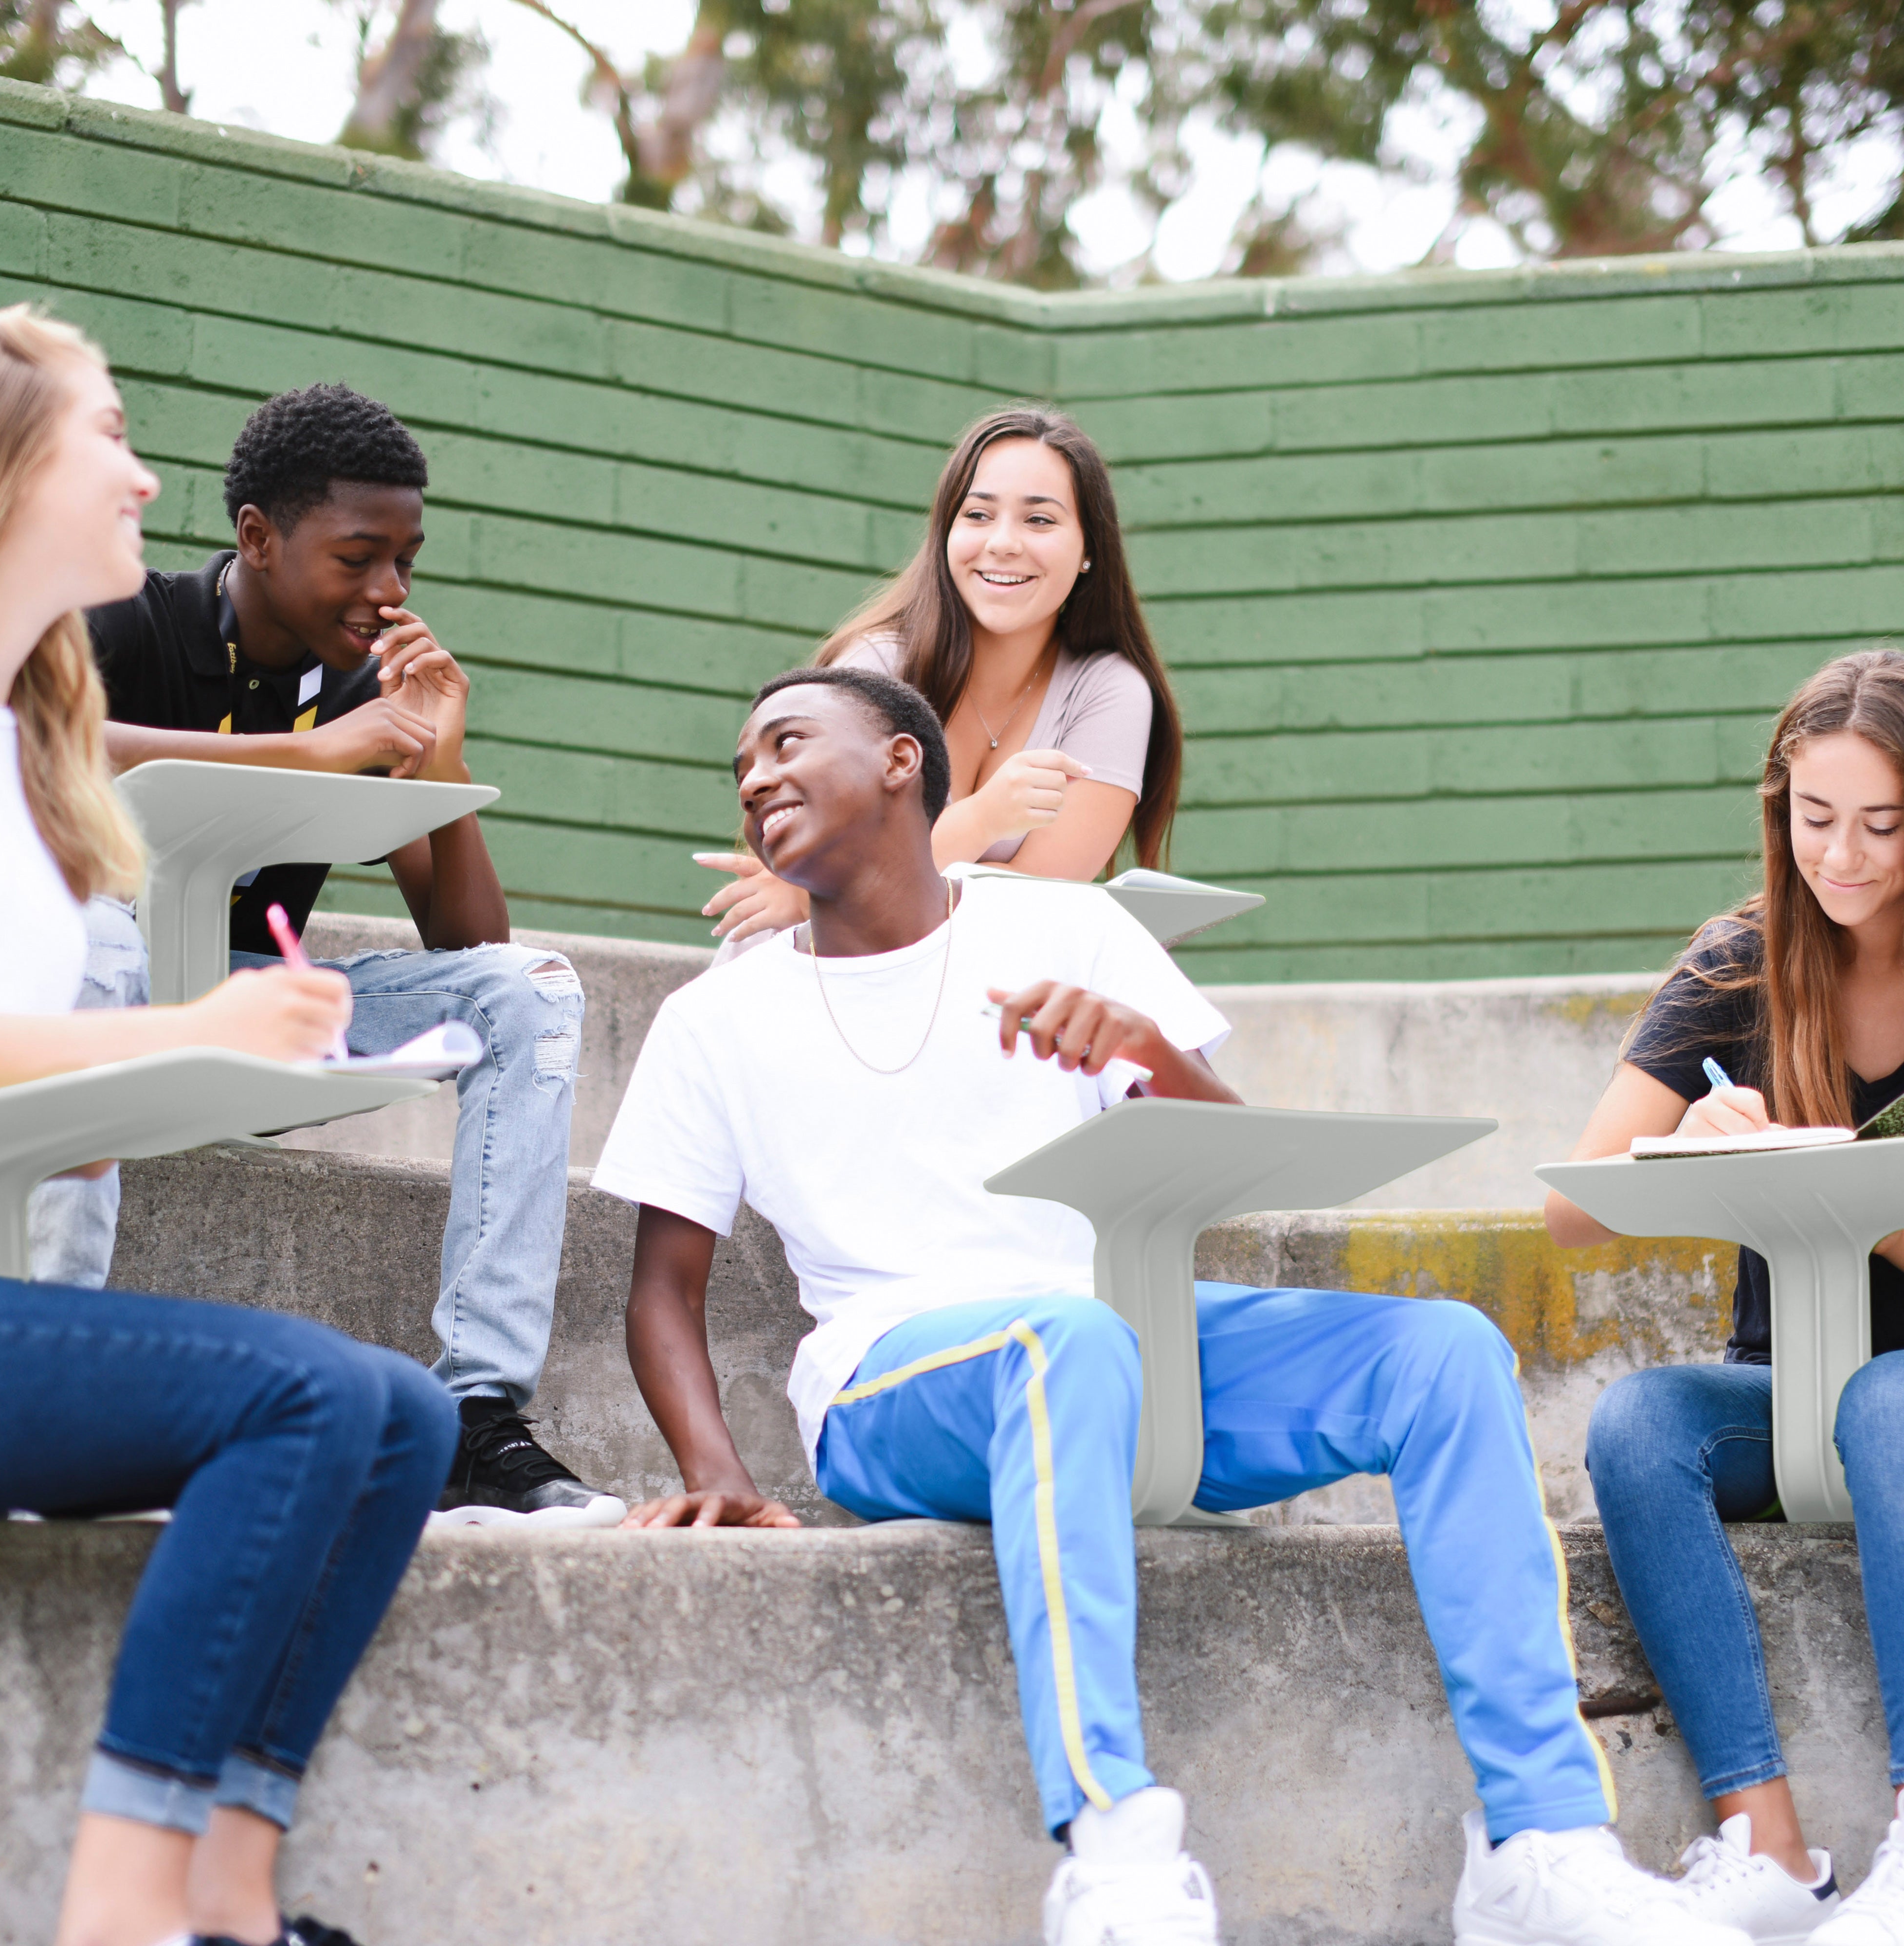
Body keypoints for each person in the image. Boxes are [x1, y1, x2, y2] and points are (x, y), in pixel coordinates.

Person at [594, 662, 1749, 1946]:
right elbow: (664, 1287)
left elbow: (1233, 1159)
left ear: (902, 761)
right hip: (895, 1384)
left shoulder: (1067, 929)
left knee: (1441, 1351)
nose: (755, 777)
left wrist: (1143, 1049)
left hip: (1119, 1341)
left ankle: (1544, 1843)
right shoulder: (718, 1018)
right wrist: (716, 1466)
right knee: (1065, 1339)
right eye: (742, 765)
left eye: (787, 743)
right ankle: (1115, 1849)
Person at [0, 303, 458, 1946]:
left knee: (403, 1417)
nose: (149, 480)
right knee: (306, 1395)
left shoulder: (23, 754)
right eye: (110, 436)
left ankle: (234, 1901)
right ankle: (120, 1916)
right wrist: (184, 1033)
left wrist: (174, 1074)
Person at [82, 381, 620, 1529]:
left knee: (527, 992)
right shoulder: (131, 619)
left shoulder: (373, 686)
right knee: (89, 937)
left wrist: (437, 762)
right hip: (98, 999)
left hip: (258, 1003)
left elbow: (467, 945)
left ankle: (477, 1419)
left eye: (407, 561)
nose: (390, 592)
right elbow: (39, 743)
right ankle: (40, 1377)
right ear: (258, 536)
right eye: (360, 557)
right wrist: (319, 752)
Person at [1551, 647, 1904, 1945]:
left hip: (1897, 1397)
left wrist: (1849, 1186)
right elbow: (1572, 1205)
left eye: (1884, 824)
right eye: (1818, 821)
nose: (1846, 858)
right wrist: (1699, 1152)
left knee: (1887, 1405)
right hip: (1781, 1385)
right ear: (1780, 809)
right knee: (1639, 1425)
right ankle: (1771, 1850)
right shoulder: (1743, 958)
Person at [694, 405, 1182, 945]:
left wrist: (860, 877)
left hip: (976, 988)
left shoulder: (1109, 690)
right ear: (945, 533)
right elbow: (831, 874)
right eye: (977, 515)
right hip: (817, 976)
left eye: (1039, 519)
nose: (1003, 543)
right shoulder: (875, 668)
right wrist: (983, 819)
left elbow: (1044, 899)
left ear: (1090, 547)